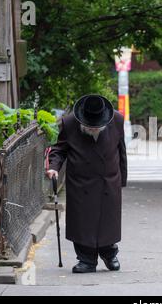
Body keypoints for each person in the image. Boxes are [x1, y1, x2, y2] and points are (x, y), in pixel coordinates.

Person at [46, 94, 127, 274]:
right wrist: (53, 167)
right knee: (83, 222)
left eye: (96, 126)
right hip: (80, 182)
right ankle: (86, 260)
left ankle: (109, 254)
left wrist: (122, 179)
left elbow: (121, 150)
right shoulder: (69, 123)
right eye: (89, 125)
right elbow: (59, 149)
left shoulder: (118, 120)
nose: (92, 128)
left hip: (109, 180)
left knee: (108, 220)